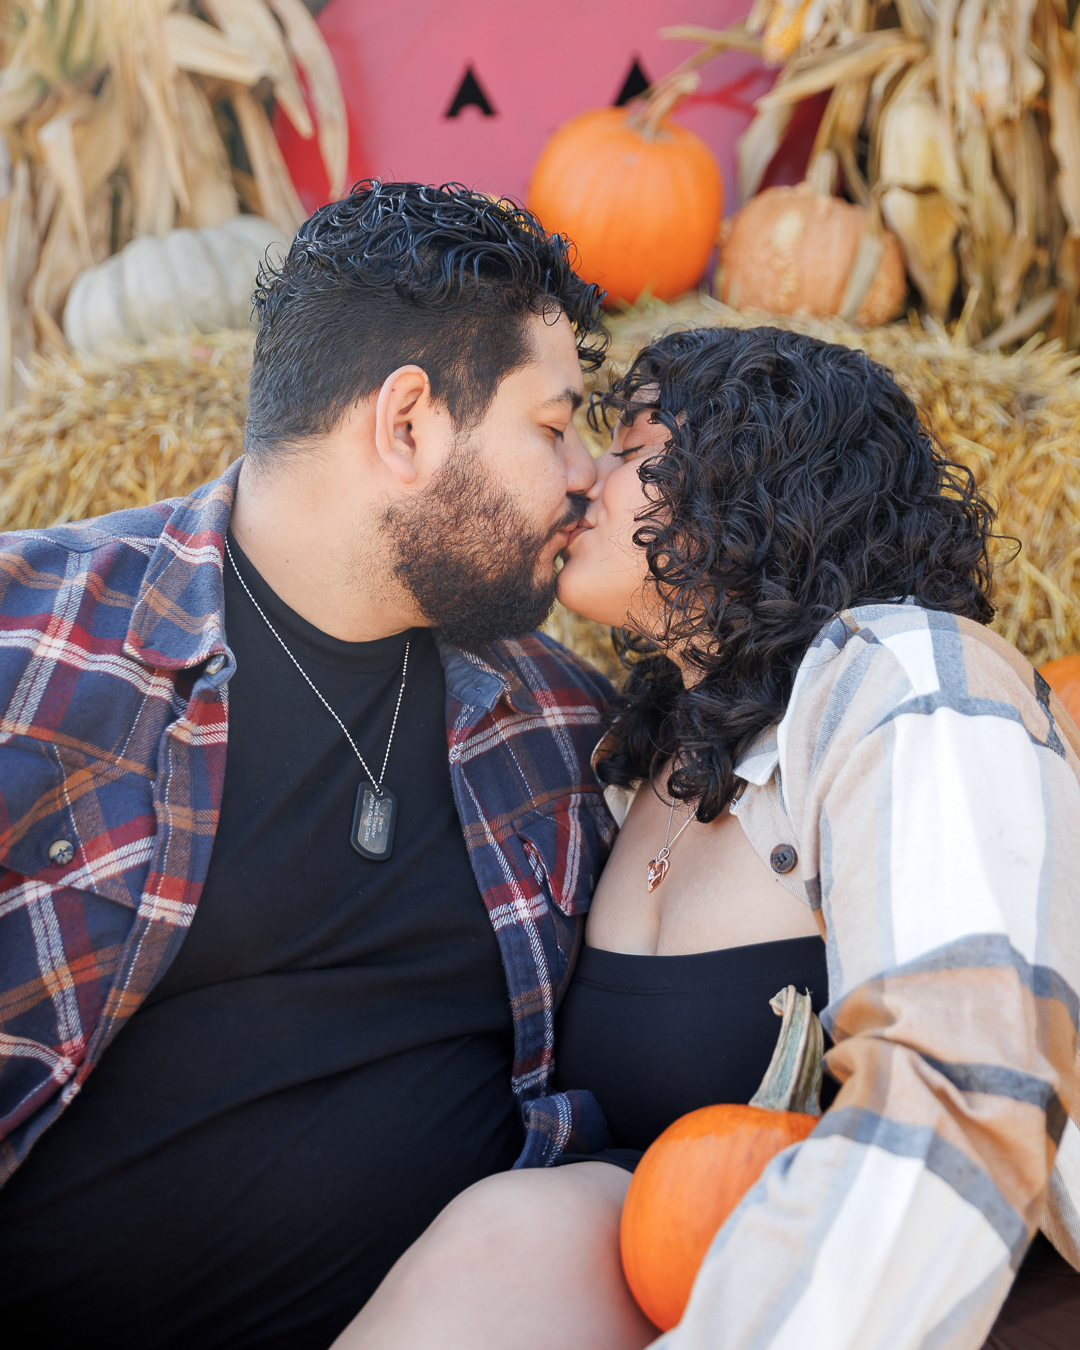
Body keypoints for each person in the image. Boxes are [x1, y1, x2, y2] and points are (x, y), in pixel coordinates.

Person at [338, 325, 1080, 1350]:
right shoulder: (634, 759)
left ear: (754, 484)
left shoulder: (907, 678)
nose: (582, 478)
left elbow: (967, 1088)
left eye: (629, 451)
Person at [0, 182, 623, 1349]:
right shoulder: (32, 642)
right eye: (555, 426)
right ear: (407, 425)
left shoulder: (564, 726)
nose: (589, 473)